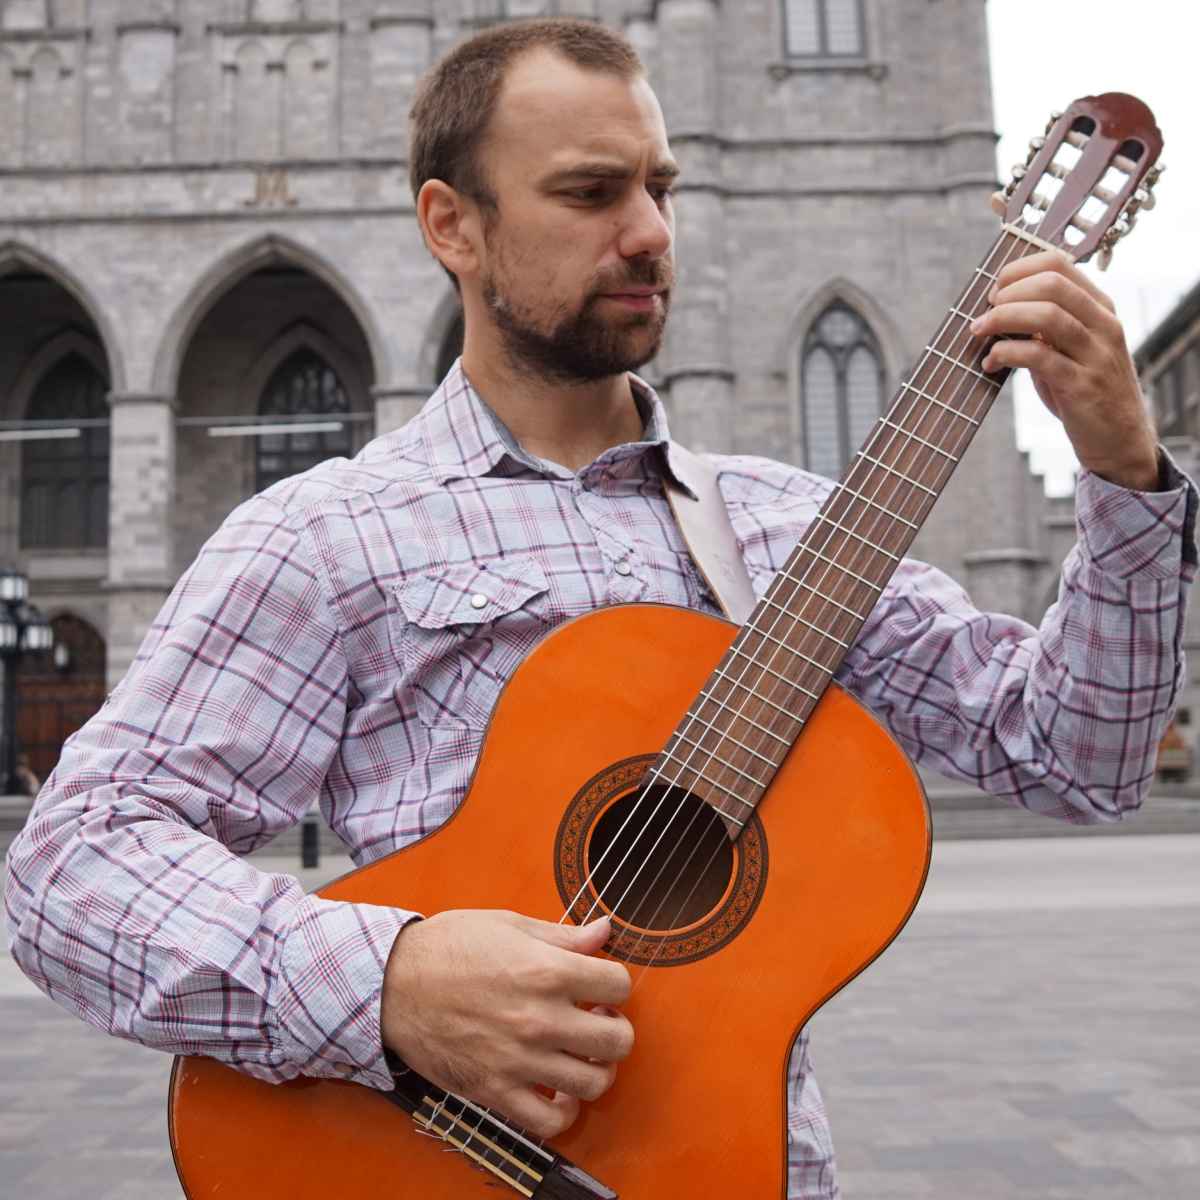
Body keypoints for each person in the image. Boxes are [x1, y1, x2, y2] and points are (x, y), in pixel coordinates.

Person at [4, 18, 1194, 1200]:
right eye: (590, 192)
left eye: (659, 187)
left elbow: (1078, 758)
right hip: (422, 1157)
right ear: (451, 226)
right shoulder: (326, 536)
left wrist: (1127, 478)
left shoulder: (793, 534)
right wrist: (388, 979)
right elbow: (68, 866)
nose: (650, 233)